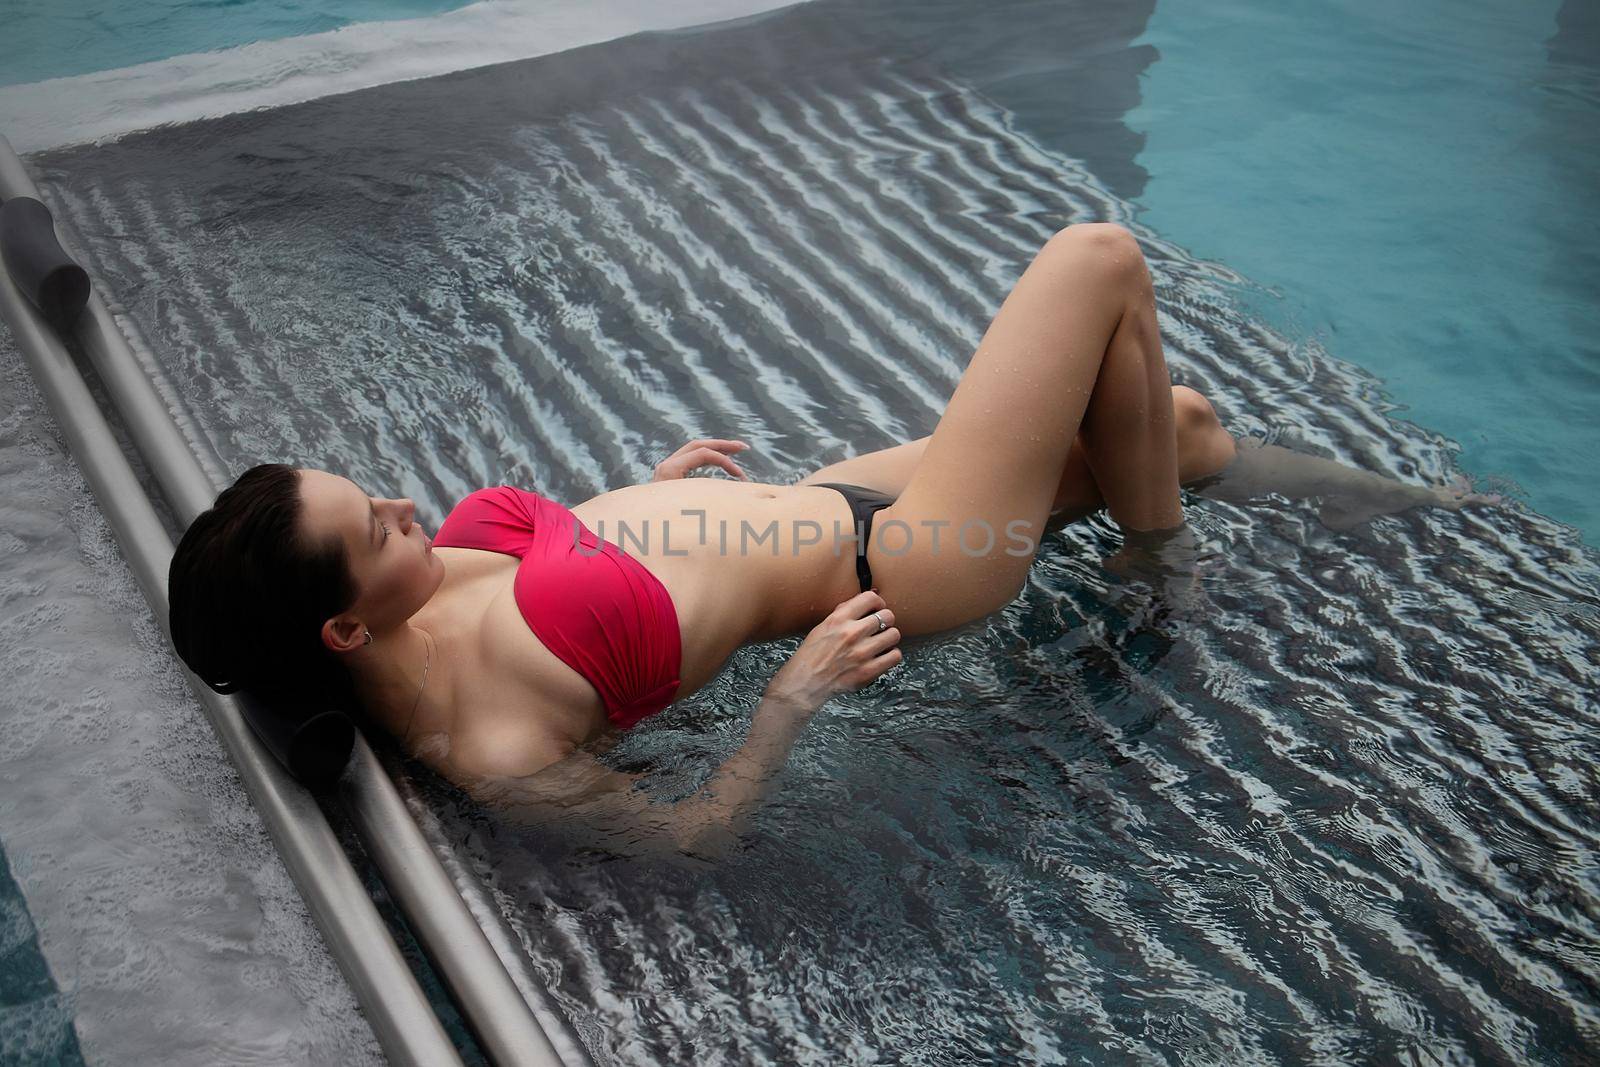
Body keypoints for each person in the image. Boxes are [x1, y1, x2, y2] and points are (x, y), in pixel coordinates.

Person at [168, 223, 1491, 853]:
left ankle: (1431, 516)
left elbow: (564, 570)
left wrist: (635, 498)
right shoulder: (493, 745)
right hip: (904, 563)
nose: (405, 505)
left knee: (1179, 420)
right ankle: (1162, 566)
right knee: (1094, 265)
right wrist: (786, 707)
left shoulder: (409, 596)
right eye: (377, 525)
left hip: (823, 494)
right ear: (346, 626)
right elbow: (686, 841)